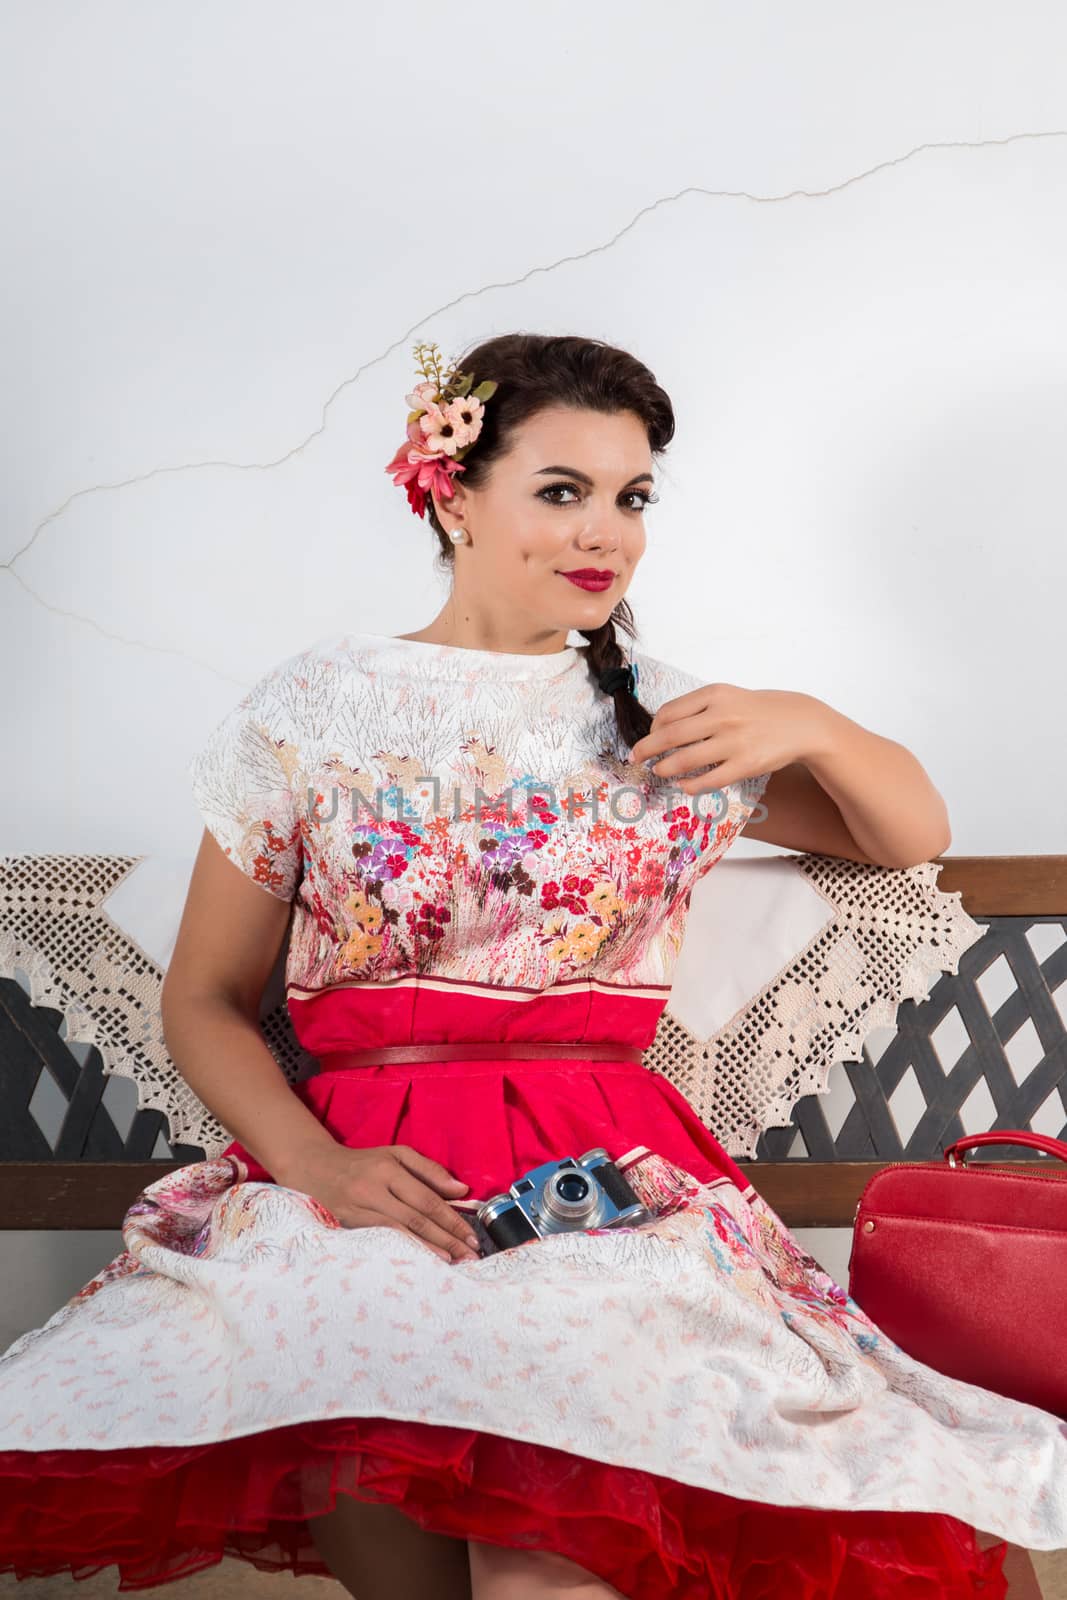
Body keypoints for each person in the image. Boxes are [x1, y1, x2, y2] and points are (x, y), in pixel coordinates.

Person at [1, 330, 1063, 1599]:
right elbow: (206, 998)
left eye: (629, 497)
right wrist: (316, 1167)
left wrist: (815, 723)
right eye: (559, 492)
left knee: (543, 1558)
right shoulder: (315, 707)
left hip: (598, 1177)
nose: (601, 532)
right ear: (448, 492)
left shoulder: (662, 720)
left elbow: (907, 833)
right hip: (365, 1169)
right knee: (345, 1389)